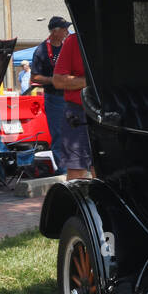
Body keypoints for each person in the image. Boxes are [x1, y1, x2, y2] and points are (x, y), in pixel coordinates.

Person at [31, 16, 71, 174]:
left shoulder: (67, 46)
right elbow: (34, 77)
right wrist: (53, 80)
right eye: (64, 29)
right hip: (54, 98)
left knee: (74, 132)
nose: (67, 31)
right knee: (59, 134)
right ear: (55, 32)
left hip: (70, 95)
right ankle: (62, 170)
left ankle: (76, 167)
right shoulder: (41, 50)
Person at [51, 30, 93, 180]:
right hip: (79, 113)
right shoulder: (74, 41)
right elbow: (58, 80)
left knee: (106, 170)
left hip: (111, 112)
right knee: (77, 171)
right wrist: (94, 81)